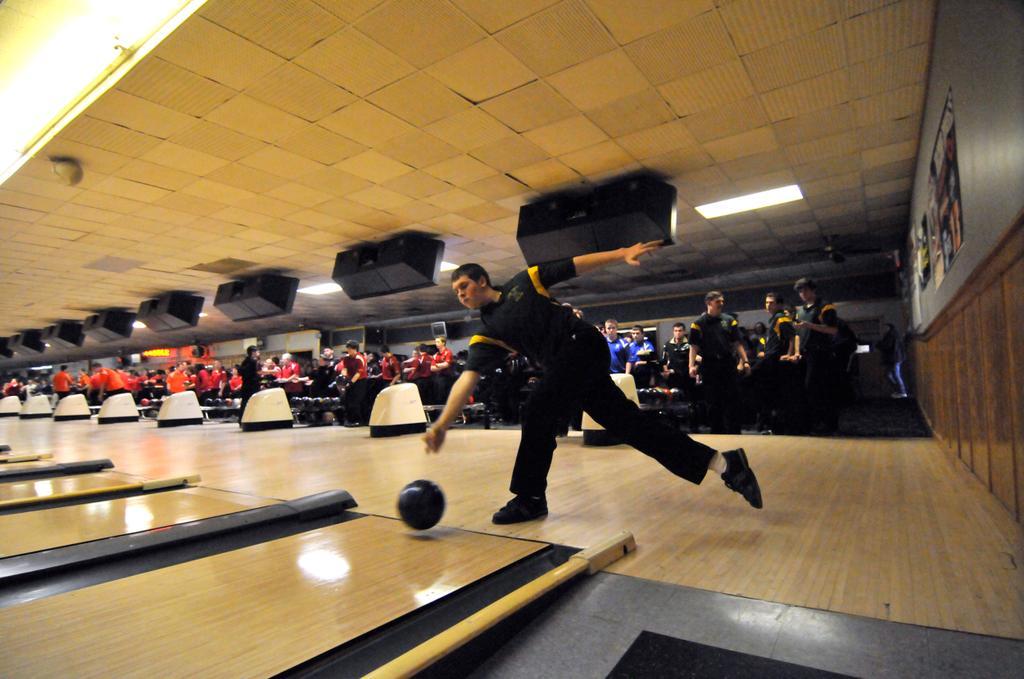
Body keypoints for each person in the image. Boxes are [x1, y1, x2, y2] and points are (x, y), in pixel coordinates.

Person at [424, 241, 763, 524]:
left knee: (539, 409)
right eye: (456, 292)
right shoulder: (488, 332)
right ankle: (724, 464)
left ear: (482, 280)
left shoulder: (522, 283)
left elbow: (572, 265)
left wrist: (621, 253)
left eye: (463, 286)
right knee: (628, 424)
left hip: (581, 344)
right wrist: (441, 425)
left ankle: (529, 498)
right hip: (567, 365)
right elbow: (467, 379)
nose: (460, 295)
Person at [688, 291, 750, 434]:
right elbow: (694, 346)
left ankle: (735, 431)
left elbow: (737, 343)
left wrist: (745, 361)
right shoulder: (698, 324)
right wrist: (691, 366)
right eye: (718, 302)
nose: (721, 304)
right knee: (713, 400)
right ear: (709, 303)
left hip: (728, 363)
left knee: (733, 398)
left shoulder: (729, 320)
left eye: (722, 301)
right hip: (709, 365)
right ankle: (717, 431)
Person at [793, 277, 840, 434]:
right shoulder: (800, 311)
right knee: (807, 390)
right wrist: (797, 352)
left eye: (805, 289)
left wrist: (810, 325)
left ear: (813, 289)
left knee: (820, 389)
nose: (803, 293)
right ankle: (814, 422)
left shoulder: (825, 306)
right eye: (800, 291)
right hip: (806, 354)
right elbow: (798, 334)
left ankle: (828, 424)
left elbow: (833, 330)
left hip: (821, 353)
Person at [338, 340, 368, 426]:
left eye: (349, 348)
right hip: (350, 379)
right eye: (347, 348)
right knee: (348, 400)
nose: (348, 350)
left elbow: (358, 373)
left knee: (356, 401)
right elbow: (345, 369)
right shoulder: (346, 358)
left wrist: (350, 383)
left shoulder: (359, 358)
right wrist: (343, 378)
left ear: (354, 349)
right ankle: (350, 420)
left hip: (360, 381)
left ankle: (358, 420)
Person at [878, 323, 908, 398]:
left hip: (894, 358)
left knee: (894, 375)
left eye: (885, 327)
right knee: (890, 374)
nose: (883, 329)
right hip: (896, 358)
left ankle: (902, 391)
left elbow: (887, 346)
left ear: (888, 328)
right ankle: (899, 391)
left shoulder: (890, 335)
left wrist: (878, 344)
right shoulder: (895, 334)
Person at [430, 336, 455, 404]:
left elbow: (446, 364)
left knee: (447, 397)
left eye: (438, 342)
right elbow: (432, 368)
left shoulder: (448, 352)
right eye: (435, 342)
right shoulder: (435, 355)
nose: (436, 343)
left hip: (448, 378)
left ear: (443, 343)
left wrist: (437, 365)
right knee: (439, 397)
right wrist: (441, 365)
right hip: (439, 378)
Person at [238, 345, 261, 419]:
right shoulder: (253, 362)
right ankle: (253, 418)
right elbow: (258, 372)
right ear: (253, 352)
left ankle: (242, 419)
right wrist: (272, 371)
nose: (258, 352)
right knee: (254, 402)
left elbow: (240, 372)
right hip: (252, 386)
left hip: (245, 385)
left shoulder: (244, 361)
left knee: (244, 403)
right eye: (257, 351)